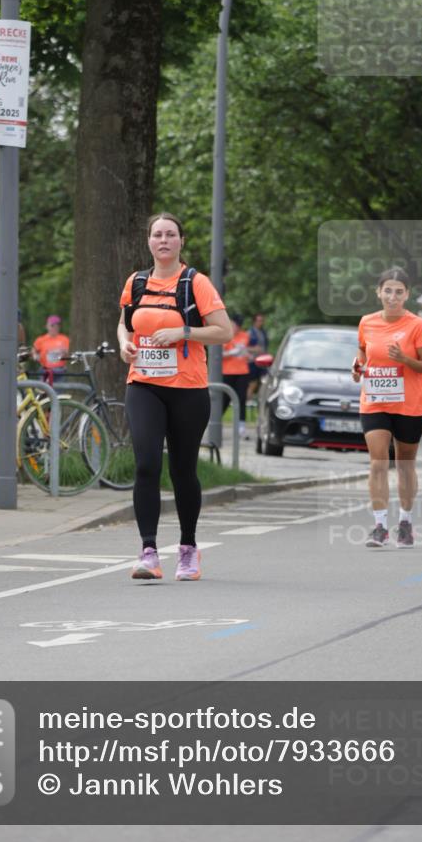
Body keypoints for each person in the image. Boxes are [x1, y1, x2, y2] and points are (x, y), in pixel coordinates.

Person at [118, 212, 232, 581]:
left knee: (183, 471)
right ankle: (148, 552)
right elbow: (125, 322)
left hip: (187, 389)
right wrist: (124, 344)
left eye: (170, 234)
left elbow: (222, 331)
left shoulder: (194, 283)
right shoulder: (135, 282)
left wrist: (183, 332)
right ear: (149, 241)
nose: (163, 240)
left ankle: (188, 548)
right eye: (157, 235)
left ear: (181, 241)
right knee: (146, 464)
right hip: (144, 384)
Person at [352, 268, 422, 548]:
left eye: (399, 291)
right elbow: (364, 352)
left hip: (409, 404)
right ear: (379, 292)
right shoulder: (367, 322)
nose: (392, 296)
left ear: (407, 295)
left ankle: (406, 522)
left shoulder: (418, 326)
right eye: (387, 290)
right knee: (378, 461)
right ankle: (379, 526)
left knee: (405, 464)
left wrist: (404, 359)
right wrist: (358, 366)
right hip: (375, 400)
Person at [222, 314, 251, 439]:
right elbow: (220, 354)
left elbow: (248, 353)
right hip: (227, 372)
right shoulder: (225, 335)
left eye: (234, 325)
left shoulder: (245, 336)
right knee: (224, 400)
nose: (232, 326)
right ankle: (215, 425)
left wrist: (246, 353)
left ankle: (241, 428)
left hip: (242, 372)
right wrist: (232, 352)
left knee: (241, 399)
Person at [33, 315, 71, 387]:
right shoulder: (41, 340)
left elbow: (67, 354)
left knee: (58, 393)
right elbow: (34, 351)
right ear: (47, 326)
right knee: (44, 393)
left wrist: (64, 353)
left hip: (60, 371)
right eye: (52, 325)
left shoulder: (64, 339)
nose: (54, 328)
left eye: (56, 325)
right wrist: (36, 356)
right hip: (45, 371)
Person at [246, 312, 269, 408]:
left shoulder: (264, 332)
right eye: (259, 321)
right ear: (254, 321)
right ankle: (248, 400)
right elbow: (244, 347)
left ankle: (261, 401)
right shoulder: (249, 333)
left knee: (264, 381)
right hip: (253, 361)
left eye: (262, 321)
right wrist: (254, 349)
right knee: (253, 382)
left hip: (263, 361)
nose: (261, 323)